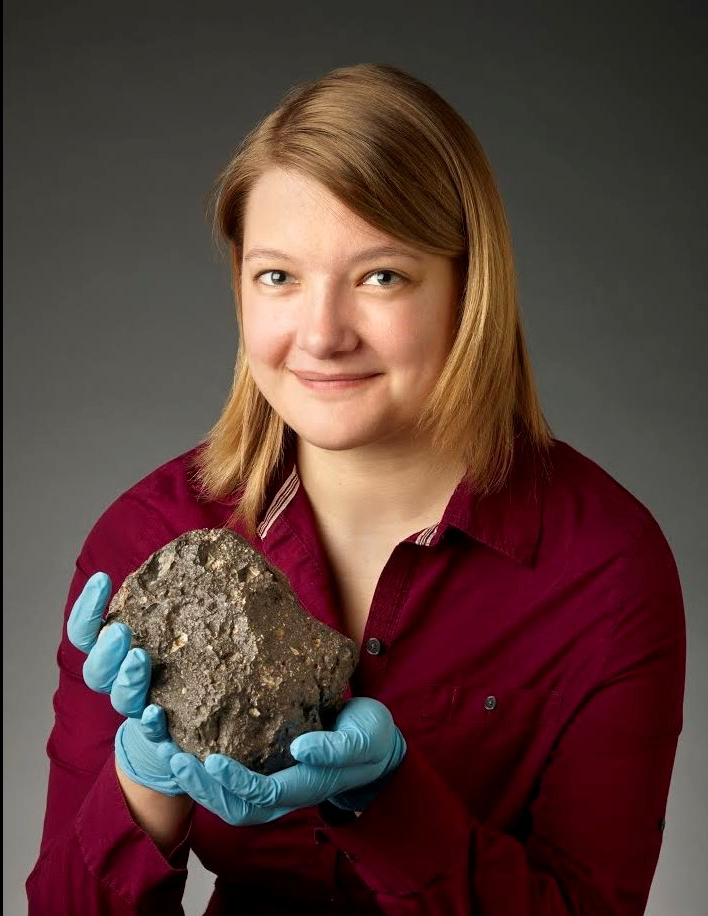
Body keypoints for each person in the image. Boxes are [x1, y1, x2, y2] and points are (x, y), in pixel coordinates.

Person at [26, 62, 685, 916]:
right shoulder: (146, 539)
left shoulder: (603, 569)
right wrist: (142, 787)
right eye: (278, 276)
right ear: (239, 287)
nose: (323, 334)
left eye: (381, 276)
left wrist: (390, 804)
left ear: (467, 287)